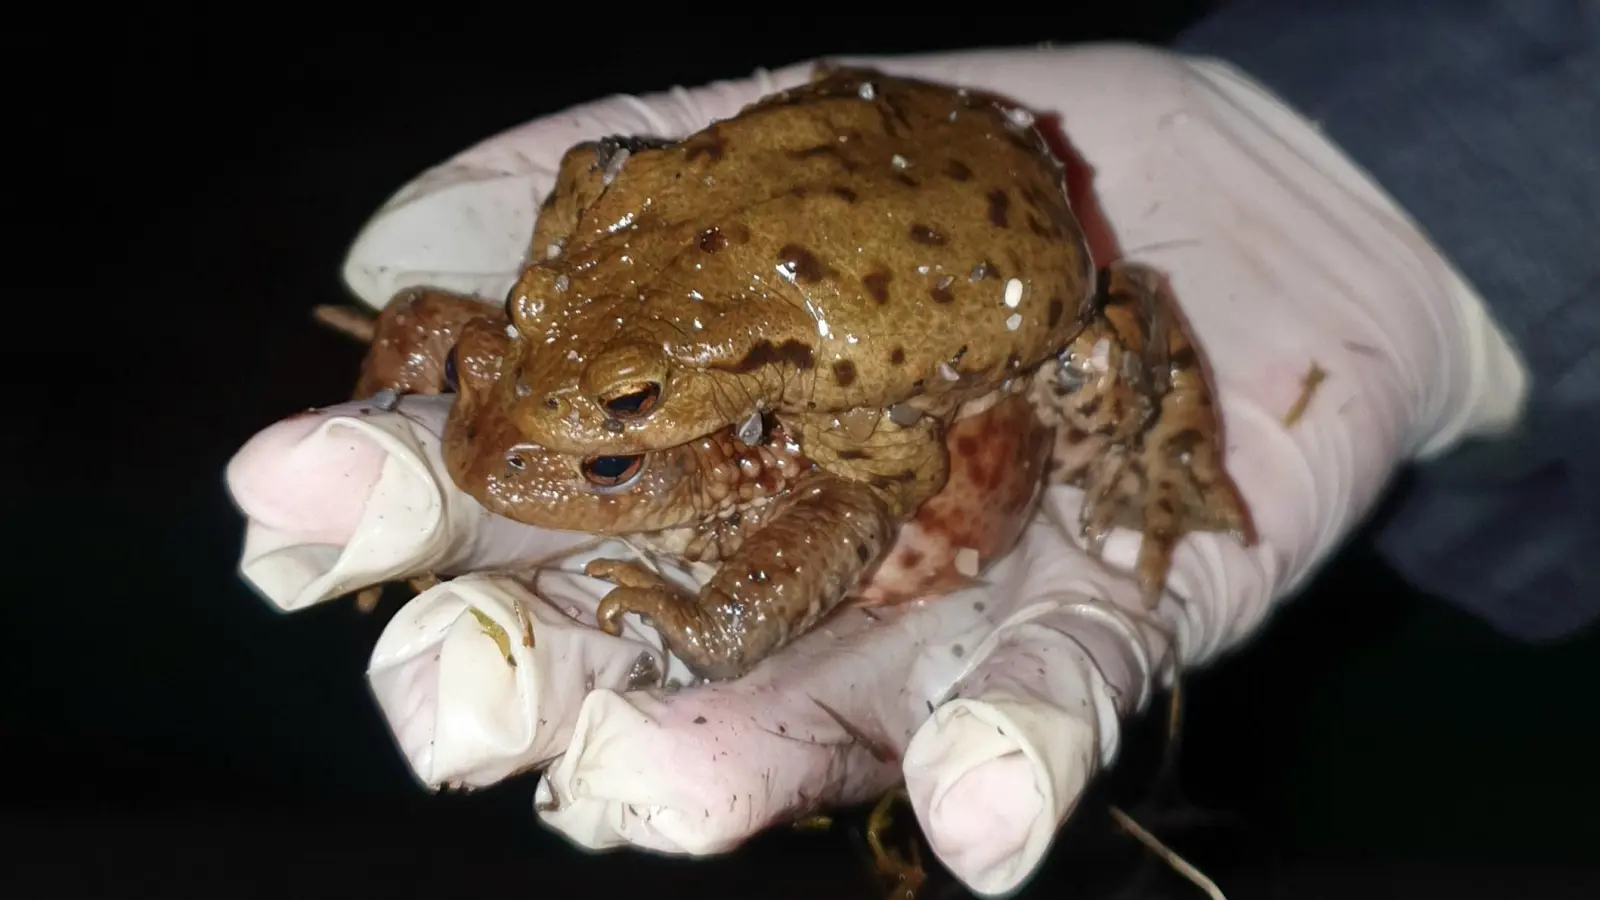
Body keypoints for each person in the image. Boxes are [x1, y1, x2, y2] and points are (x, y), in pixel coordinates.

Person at [226, 3, 1595, 896]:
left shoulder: (846, 399)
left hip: (997, 270)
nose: (561, 386)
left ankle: (1160, 456)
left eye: (630, 403)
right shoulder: (602, 238)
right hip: (850, 174)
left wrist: (716, 612)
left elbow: (874, 497)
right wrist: (567, 318)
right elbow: (596, 178)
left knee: (1104, 362)